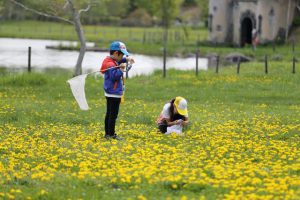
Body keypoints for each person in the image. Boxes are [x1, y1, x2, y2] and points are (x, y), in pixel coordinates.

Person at [100, 41, 134, 140]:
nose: (123, 56)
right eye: (122, 54)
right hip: (113, 93)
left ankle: (108, 134)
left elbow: (119, 60)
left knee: (109, 114)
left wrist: (127, 59)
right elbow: (114, 76)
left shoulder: (111, 60)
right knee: (112, 115)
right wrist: (121, 69)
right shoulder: (110, 64)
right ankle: (111, 134)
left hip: (111, 92)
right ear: (115, 53)